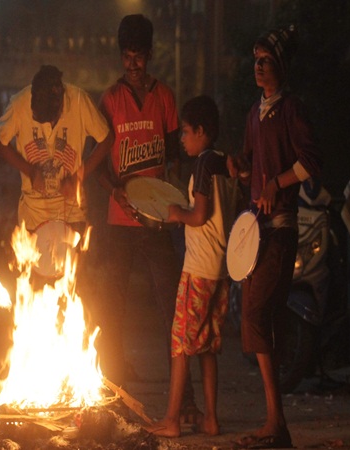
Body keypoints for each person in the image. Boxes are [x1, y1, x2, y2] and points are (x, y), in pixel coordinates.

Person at [96, 13, 200, 423]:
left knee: (171, 308)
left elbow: (175, 154)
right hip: (120, 220)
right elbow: (99, 161)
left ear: (150, 55)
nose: (133, 64)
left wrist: (174, 196)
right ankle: (105, 393)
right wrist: (114, 190)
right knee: (112, 306)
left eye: (139, 57)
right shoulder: (109, 99)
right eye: (127, 57)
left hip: (156, 220)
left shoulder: (165, 98)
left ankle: (185, 398)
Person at [229, 26, 322, 449]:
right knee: (262, 317)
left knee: (254, 312)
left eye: (265, 60)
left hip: (280, 231)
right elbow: (251, 166)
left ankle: (275, 421)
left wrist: (276, 183)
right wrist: (240, 170)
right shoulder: (254, 113)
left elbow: (310, 163)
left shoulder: (291, 110)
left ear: (280, 65)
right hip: (255, 232)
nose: (258, 66)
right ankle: (276, 423)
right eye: (255, 59)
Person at [147, 95, 238, 437]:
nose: (182, 139)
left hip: (198, 267)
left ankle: (171, 420)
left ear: (201, 131)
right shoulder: (225, 164)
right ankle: (211, 419)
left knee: (181, 343)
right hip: (221, 270)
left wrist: (176, 214)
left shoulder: (202, 164)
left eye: (185, 132)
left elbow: (199, 216)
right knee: (208, 346)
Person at [0, 64, 112, 235]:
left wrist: (78, 177)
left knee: (72, 262)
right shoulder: (19, 104)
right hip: (33, 215)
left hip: (72, 214)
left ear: (60, 97)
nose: (48, 125)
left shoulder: (79, 101)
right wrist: (30, 171)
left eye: (51, 119)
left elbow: (107, 139)